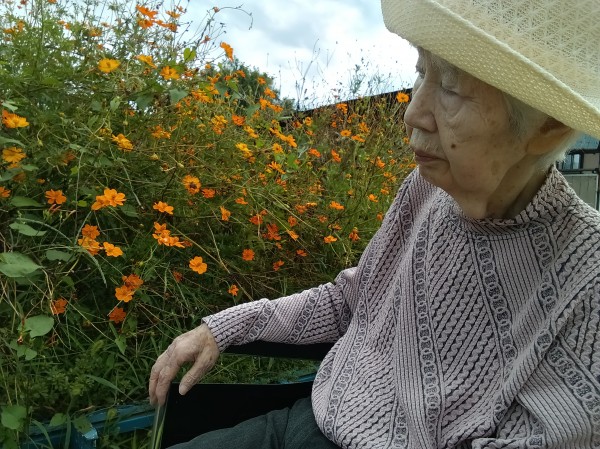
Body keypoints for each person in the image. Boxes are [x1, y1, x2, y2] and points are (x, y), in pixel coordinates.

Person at [149, 0, 600, 447]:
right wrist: (224, 327)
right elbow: (352, 300)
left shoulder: (587, 274)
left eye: (451, 88)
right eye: (421, 72)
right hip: (305, 420)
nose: (412, 113)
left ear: (548, 126)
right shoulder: (425, 189)